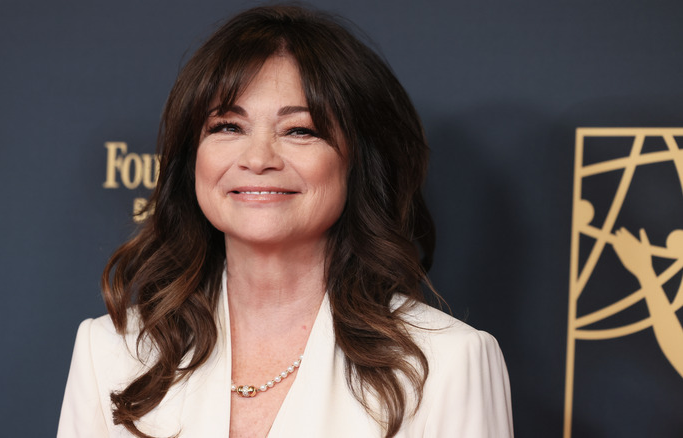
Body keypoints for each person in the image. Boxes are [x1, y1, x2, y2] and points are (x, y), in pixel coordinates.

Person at [58, 5, 513, 437]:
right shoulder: (111, 352)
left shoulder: (446, 364)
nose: (257, 159)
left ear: (359, 161)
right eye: (227, 127)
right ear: (190, 157)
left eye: (300, 130)